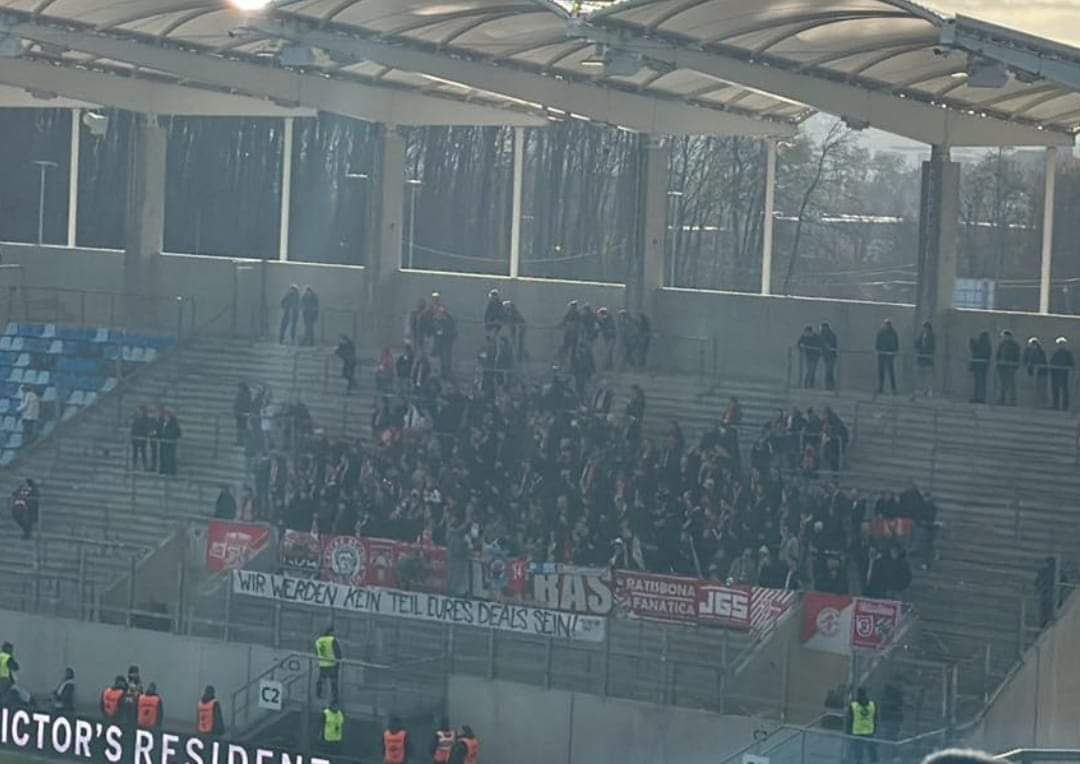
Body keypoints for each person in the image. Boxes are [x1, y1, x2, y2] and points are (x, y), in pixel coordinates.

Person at [848, 687, 878, 764]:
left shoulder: (853, 705)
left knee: (859, 751)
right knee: (871, 750)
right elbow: (876, 718)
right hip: (869, 731)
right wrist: (875, 728)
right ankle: (873, 761)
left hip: (857, 731)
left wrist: (848, 730)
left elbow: (850, 719)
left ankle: (860, 761)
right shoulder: (873, 704)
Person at [315, 625, 342, 702]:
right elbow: (338, 652)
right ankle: (334, 698)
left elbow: (317, 652)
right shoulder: (332, 640)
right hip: (332, 664)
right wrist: (338, 662)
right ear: (331, 632)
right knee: (333, 682)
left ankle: (318, 694)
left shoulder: (318, 640)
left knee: (321, 679)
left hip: (322, 664)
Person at [995, 330, 1020, 406]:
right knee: (1003, 384)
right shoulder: (1002, 344)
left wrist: (1014, 365)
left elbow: (1016, 356)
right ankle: (1002, 399)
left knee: (1011, 384)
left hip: (1010, 366)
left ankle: (1012, 400)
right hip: (1002, 367)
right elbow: (998, 355)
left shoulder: (1014, 345)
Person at [874, 319, 899, 396]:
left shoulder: (893, 333)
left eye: (888, 324)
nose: (887, 326)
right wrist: (878, 350)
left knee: (891, 372)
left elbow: (896, 344)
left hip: (889, 355)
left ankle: (893, 389)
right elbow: (877, 342)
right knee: (881, 372)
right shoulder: (880, 333)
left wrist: (894, 352)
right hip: (881, 354)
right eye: (886, 324)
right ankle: (880, 388)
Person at [1050, 337, 1074, 411]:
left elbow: (1071, 363)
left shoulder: (1068, 354)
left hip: (1064, 375)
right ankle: (1056, 405)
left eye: (1062, 344)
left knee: (1064, 391)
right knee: (1055, 390)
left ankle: (1065, 406)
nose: (1061, 345)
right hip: (1056, 374)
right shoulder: (1056, 353)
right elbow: (1052, 362)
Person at [1023, 337, 1049, 407]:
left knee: (1040, 389)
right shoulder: (1029, 352)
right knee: (1033, 389)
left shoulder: (1040, 352)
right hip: (1032, 373)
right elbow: (1025, 360)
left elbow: (1041, 361)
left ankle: (1041, 404)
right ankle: (1034, 404)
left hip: (1040, 374)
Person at [913, 321, 935, 399]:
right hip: (921, 358)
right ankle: (922, 389)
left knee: (928, 375)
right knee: (920, 374)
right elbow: (918, 343)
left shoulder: (931, 336)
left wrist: (927, 353)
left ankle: (928, 390)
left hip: (928, 358)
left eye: (925, 328)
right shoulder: (921, 335)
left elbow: (932, 347)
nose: (924, 329)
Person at [968, 331, 992, 404]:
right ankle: (979, 397)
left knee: (979, 382)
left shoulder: (983, 344)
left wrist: (972, 344)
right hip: (982, 365)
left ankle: (979, 397)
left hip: (979, 365)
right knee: (980, 382)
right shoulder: (987, 344)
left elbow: (976, 352)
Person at [158, 409, 182, 475]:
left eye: (167, 417)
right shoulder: (162, 423)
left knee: (170, 458)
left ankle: (171, 472)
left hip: (170, 444)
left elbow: (176, 433)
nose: (165, 418)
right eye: (165, 416)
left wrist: (165, 434)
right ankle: (163, 470)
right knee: (163, 457)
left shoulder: (174, 423)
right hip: (163, 443)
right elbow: (159, 430)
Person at [820, 322, 838, 391]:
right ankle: (829, 386)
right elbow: (820, 343)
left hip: (831, 356)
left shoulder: (832, 335)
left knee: (829, 371)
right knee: (828, 371)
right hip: (825, 356)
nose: (823, 329)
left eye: (824, 328)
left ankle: (830, 386)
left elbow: (833, 344)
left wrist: (828, 346)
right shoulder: (822, 335)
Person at [234, 382, 252, 446]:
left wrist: (245, 412)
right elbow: (236, 404)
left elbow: (247, 405)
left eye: (240, 387)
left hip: (244, 415)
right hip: (239, 415)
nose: (238, 389)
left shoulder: (247, 395)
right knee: (239, 429)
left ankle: (243, 442)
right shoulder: (239, 395)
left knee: (243, 429)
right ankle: (239, 441)